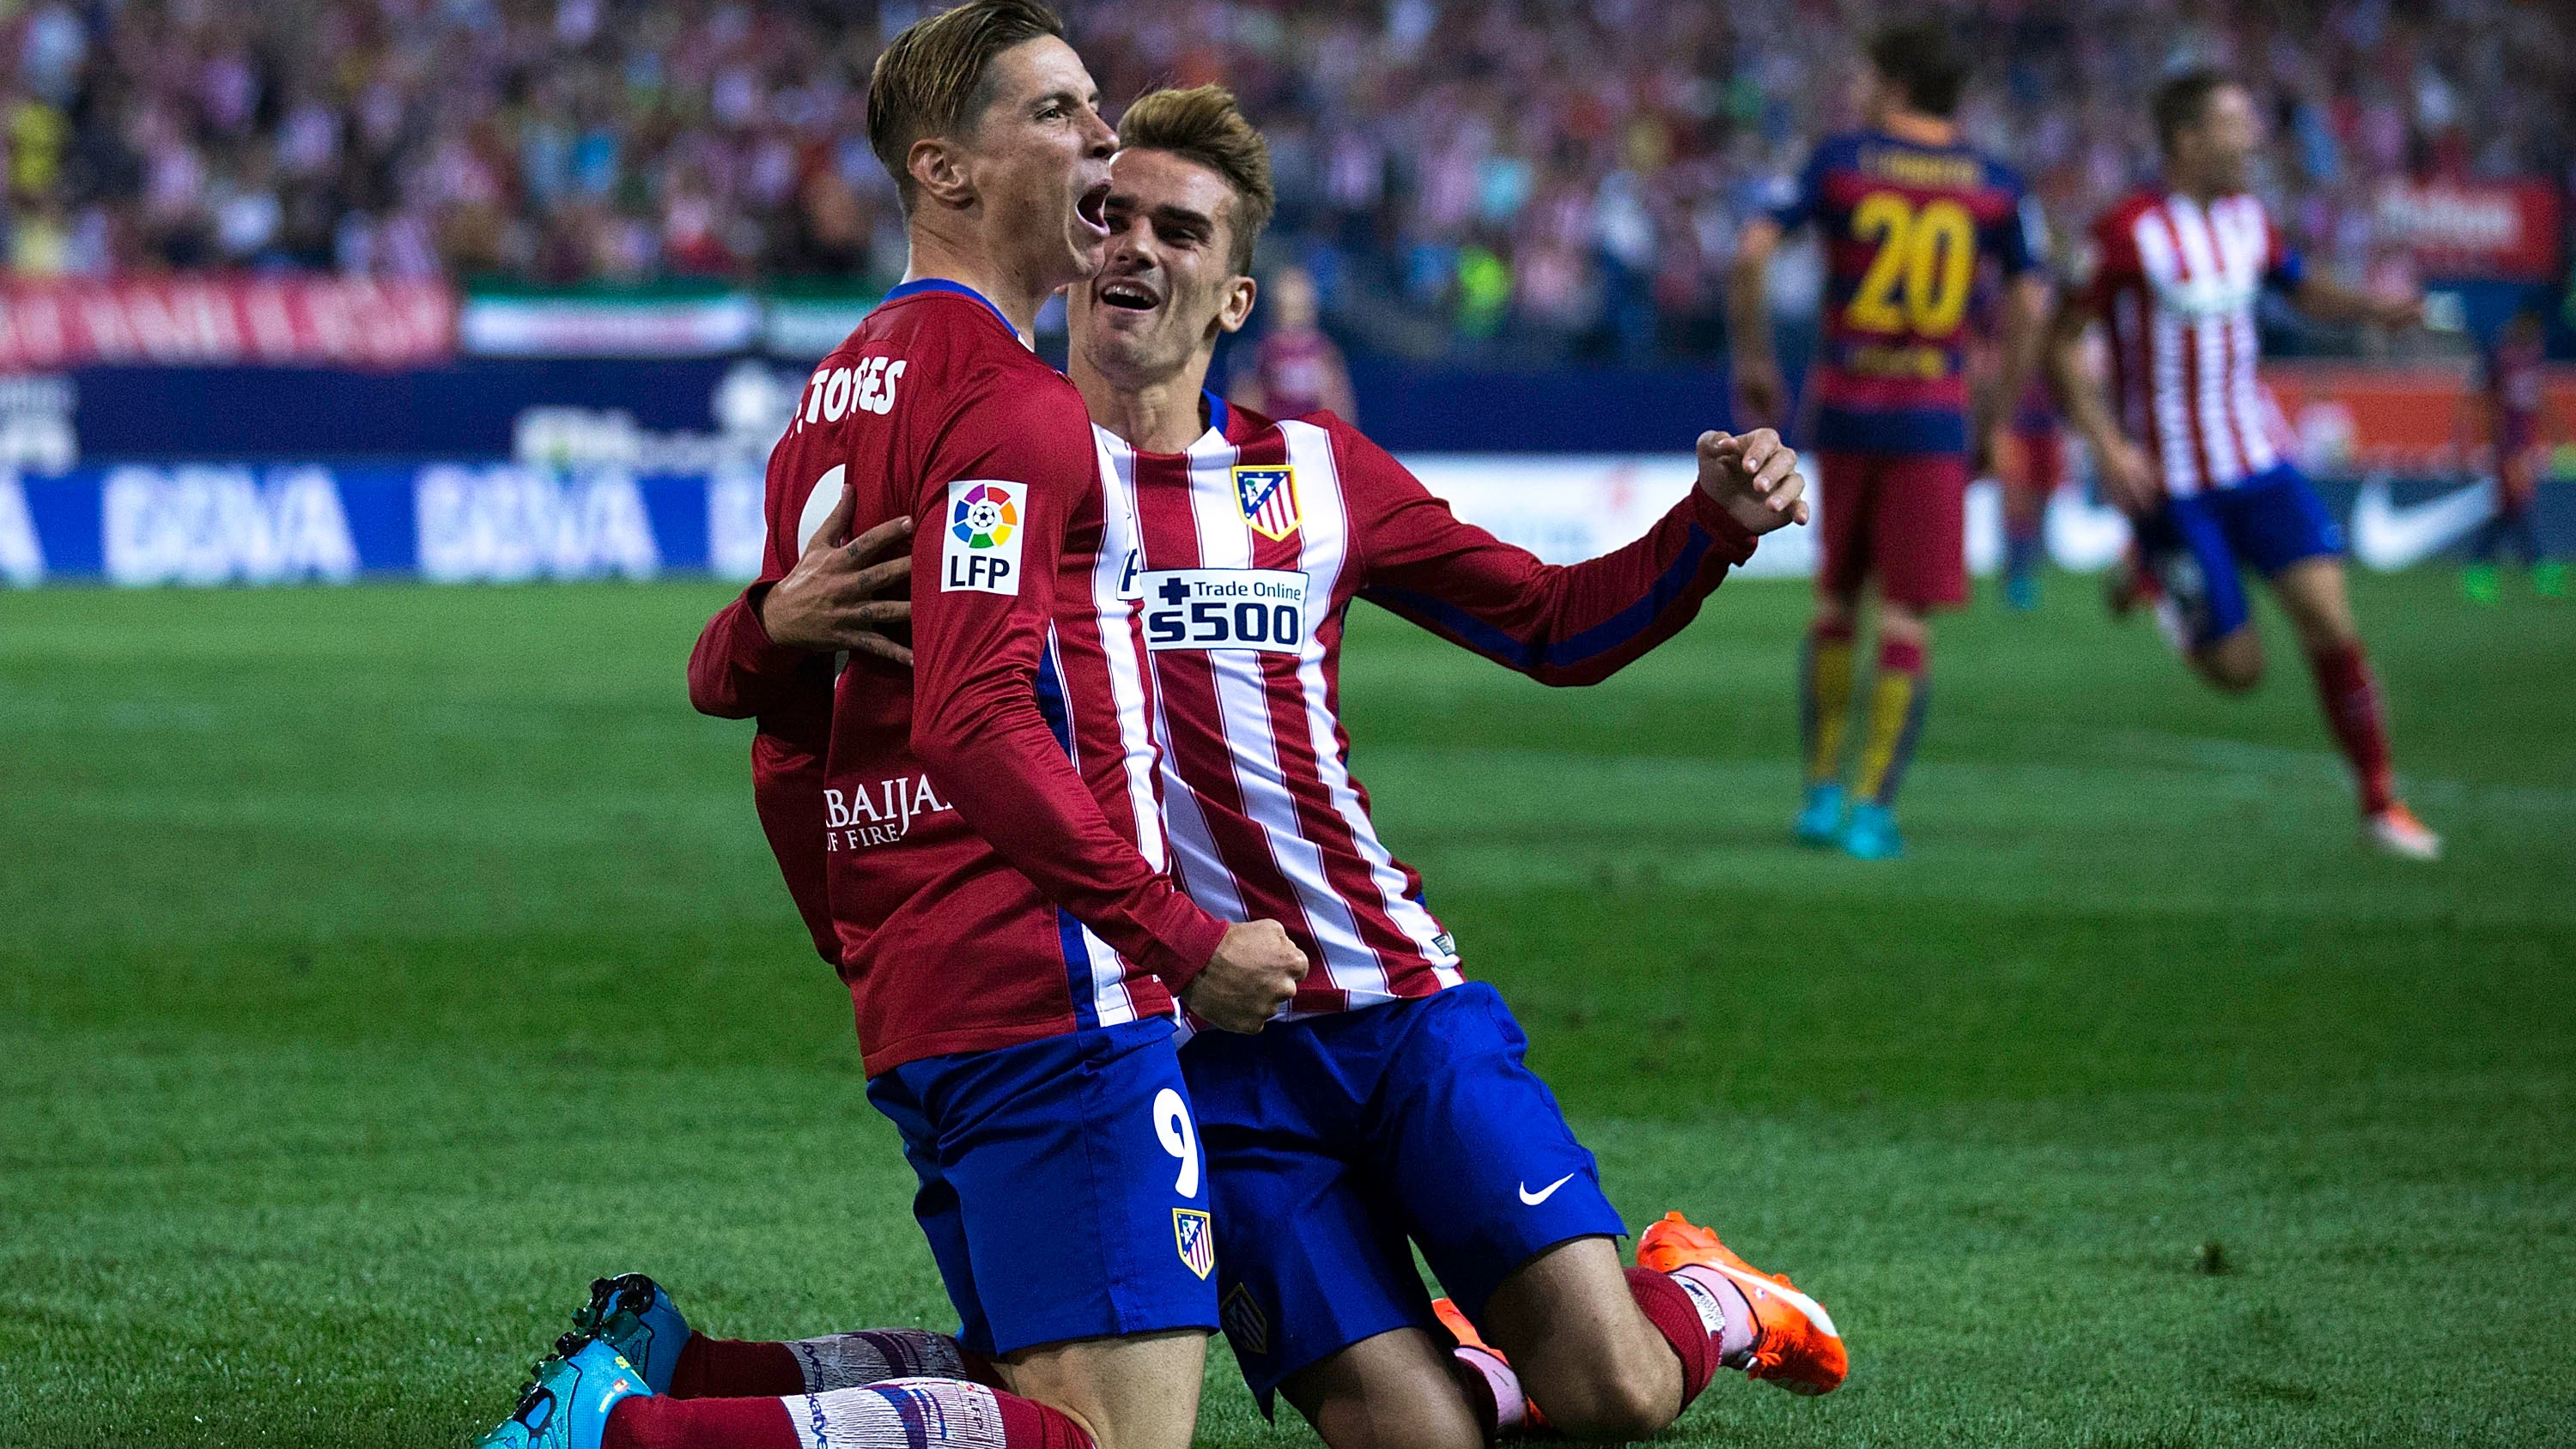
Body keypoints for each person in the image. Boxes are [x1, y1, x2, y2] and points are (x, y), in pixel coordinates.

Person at [560, 85, 1844, 1449]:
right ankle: (1459, 1352)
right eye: (1110, 214)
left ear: (1234, 299)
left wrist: (1708, 527)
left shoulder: (1317, 479)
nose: (1134, 246)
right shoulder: (993, 466)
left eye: (1181, 230)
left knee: (1621, 1392)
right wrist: (765, 627)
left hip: (1392, 1001)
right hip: (1194, 1050)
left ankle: (1701, 1290)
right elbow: (781, 669)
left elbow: (1549, 625)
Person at [476, 8, 1307, 1449]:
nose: (1103, 141)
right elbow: (977, 710)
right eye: (1057, 115)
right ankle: (635, 1435)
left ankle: (676, 1369)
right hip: (1049, 983)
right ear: (947, 170)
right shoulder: (1011, 406)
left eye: (1095, 108)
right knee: (1108, 1436)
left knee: (1028, 1377)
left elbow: (786, 727)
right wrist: (1180, 939)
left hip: (923, 982)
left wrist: (855, 939)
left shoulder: (830, 398)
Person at [2045, 68, 2443, 861]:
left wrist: (2371, 309)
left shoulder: (2249, 220)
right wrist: (2108, 443)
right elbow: (2060, 342)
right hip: (2174, 484)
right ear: (2189, 141)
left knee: (2332, 622)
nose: (2252, 137)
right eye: (2235, 123)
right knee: (2239, 671)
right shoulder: (2128, 232)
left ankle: (2379, 801)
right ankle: (2155, 574)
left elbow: (2296, 290)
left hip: (2259, 463)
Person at [1730, 19, 2052, 860]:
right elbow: (2030, 304)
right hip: (1932, 417)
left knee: (1837, 600)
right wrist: (1998, 410)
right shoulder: (1993, 183)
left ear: (1899, 83)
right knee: (1906, 613)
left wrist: (1758, 360)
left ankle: (1820, 792)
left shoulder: (1840, 162)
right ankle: (1873, 808)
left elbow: (1752, 250)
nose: (1860, 91)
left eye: (1870, 76)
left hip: (1843, 408)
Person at [2464, 305, 2561, 602]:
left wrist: (2556, 432)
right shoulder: (2500, 358)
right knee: (2518, 504)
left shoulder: (2531, 358)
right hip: (2508, 444)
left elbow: (2538, 399)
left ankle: (2479, 570)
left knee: (2509, 509)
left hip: (2523, 441)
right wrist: (2501, 447)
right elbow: (2489, 404)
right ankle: (2539, 569)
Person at [1227, 261, 1356, 422]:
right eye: (1288, 301)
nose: (1294, 309)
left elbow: (1338, 405)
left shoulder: (1324, 351)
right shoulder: (1258, 350)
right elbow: (1245, 405)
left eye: (1301, 300)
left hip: (1312, 442)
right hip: (1275, 439)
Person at [1996, 376, 2067, 611]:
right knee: (2018, 501)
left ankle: (2028, 566)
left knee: (2042, 500)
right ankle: (2017, 576)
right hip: (2017, 425)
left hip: (2049, 426)